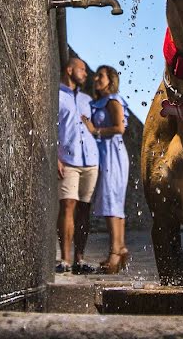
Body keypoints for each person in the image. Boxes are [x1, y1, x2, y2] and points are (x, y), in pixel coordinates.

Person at [83, 64, 130, 274]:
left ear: (110, 80)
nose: (95, 79)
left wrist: (95, 130)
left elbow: (120, 128)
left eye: (100, 76)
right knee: (113, 202)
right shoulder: (99, 102)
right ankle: (119, 249)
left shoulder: (113, 101)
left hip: (113, 153)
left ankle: (115, 252)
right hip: (106, 153)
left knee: (112, 200)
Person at [55, 57, 99, 274]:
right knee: (67, 206)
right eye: (82, 69)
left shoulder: (87, 99)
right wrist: (56, 157)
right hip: (69, 159)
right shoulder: (56, 96)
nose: (86, 74)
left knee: (84, 210)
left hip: (91, 160)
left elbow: (95, 128)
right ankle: (64, 259)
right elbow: (50, 128)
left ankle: (79, 260)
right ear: (69, 69)